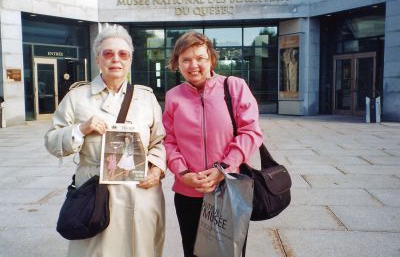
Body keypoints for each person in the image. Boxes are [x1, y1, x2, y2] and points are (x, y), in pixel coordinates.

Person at [44, 24, 166, 257]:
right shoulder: (77, 97)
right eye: (108, 53)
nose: (116, 60)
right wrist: (80, 129)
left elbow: (159, 141)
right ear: (98, 59)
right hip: (96, 196)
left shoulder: (146, 98)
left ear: (130, 60)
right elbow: (51, 141)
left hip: (140, 194)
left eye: (123, 54)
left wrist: (157, 168)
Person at [162, 31, 264, 257]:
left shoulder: (234, 87)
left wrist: (222, 169)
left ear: (212, 60)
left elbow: (251, 132)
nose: (194, 65)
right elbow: (169, 141)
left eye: (200, 58)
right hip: (189, 190)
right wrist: (183, 173)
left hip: (229, 188)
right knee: (193, 251)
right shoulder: (173, 97)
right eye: (186, 59)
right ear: (177, 64)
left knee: (230, 251)